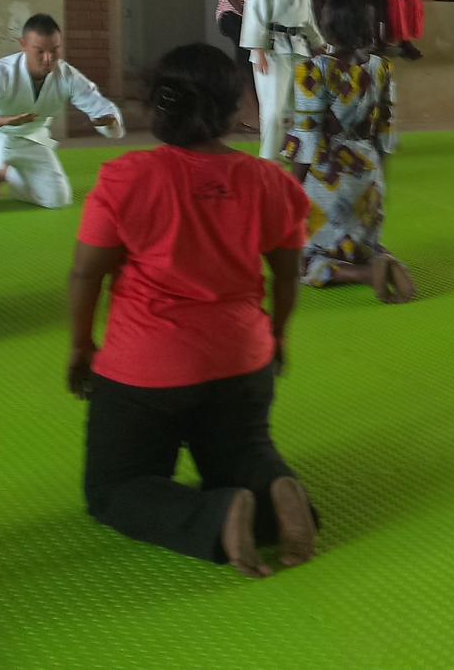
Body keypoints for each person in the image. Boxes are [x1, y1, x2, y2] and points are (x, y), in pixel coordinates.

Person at [70, 43, 318, 579]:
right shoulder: (270, 181)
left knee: (117, 487)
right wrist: (276, 337)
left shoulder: (127, 177)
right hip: (242, 361)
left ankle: (218, 517)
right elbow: (286, 274)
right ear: (232, 110)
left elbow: (86, 274)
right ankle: (274, 491)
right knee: (241, 453)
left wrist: (81, 346)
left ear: (157, 105)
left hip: (147, 371)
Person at [285, 0, 415, 302]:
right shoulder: (382, 69)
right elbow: (385, 134)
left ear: (329, 28)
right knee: (360, 245)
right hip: (368, 176)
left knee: (301, 263)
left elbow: (306, 139)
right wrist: (379, 184)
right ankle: (381, 260)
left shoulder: (313, 71)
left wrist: (291, 192)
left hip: (329, 179)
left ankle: (365, 274)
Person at [0, 14, 124, 215]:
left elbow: (100, 106)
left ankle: (9, 174)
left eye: (54, 50)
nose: (48, 59)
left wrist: (107, 121)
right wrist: (3, 121)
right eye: (40, 52)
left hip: (29, 139)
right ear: (23, 45)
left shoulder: (67, 75)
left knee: (58, 199)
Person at [240, 0, 324, 161]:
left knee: (299, 107)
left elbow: (308, 20)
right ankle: (268, 159)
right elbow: (254, 17)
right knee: (274, 110)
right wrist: (258, 50)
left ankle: (292, 152)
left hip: (299, 47)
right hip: (272, 50)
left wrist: (318, 44)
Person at [215, 0, 262, 130]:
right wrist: (243, 11)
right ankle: (246, 112)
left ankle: (243, 112)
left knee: (247, 57)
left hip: (248, 18)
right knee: (245, 54)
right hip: (230, 15)